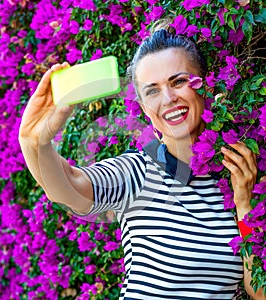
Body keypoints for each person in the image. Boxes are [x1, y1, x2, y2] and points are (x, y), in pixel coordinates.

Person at [19, 27, 264, 299]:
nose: (168, 99)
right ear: (145, 108)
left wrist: (244, 205)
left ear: (204, 85)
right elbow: (68, 187)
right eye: (152, 91)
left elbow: (260, 291)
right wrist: (34, 143)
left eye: (179, 81)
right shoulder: (137, 172)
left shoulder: (241, 175)